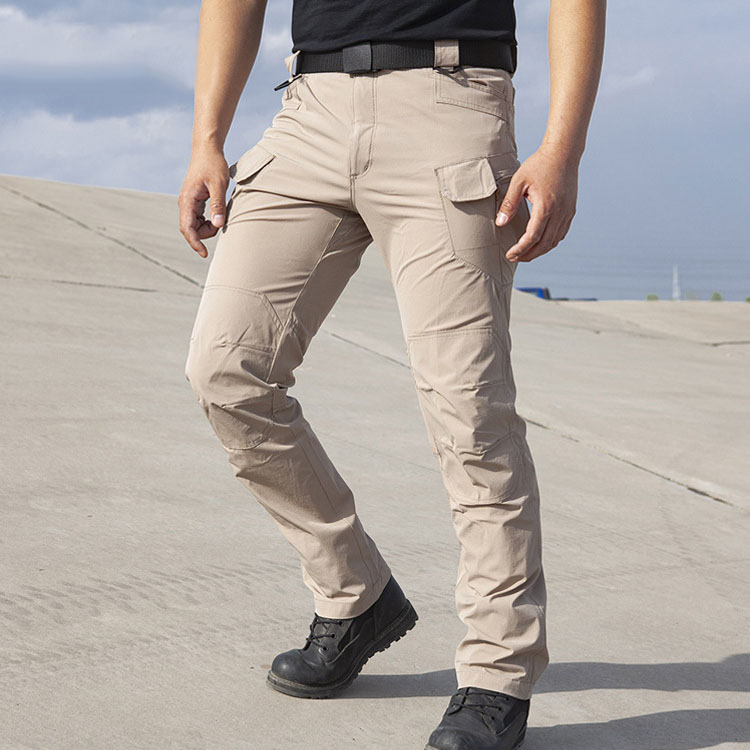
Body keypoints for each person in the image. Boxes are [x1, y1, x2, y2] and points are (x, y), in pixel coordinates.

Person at [178, 0, 605, 747]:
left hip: (451, 102)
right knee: (226, 369)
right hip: (308, 113)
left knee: (470, 414)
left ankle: (497, 673)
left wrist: (560, 150)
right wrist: (206, 139)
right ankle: (355, 593)